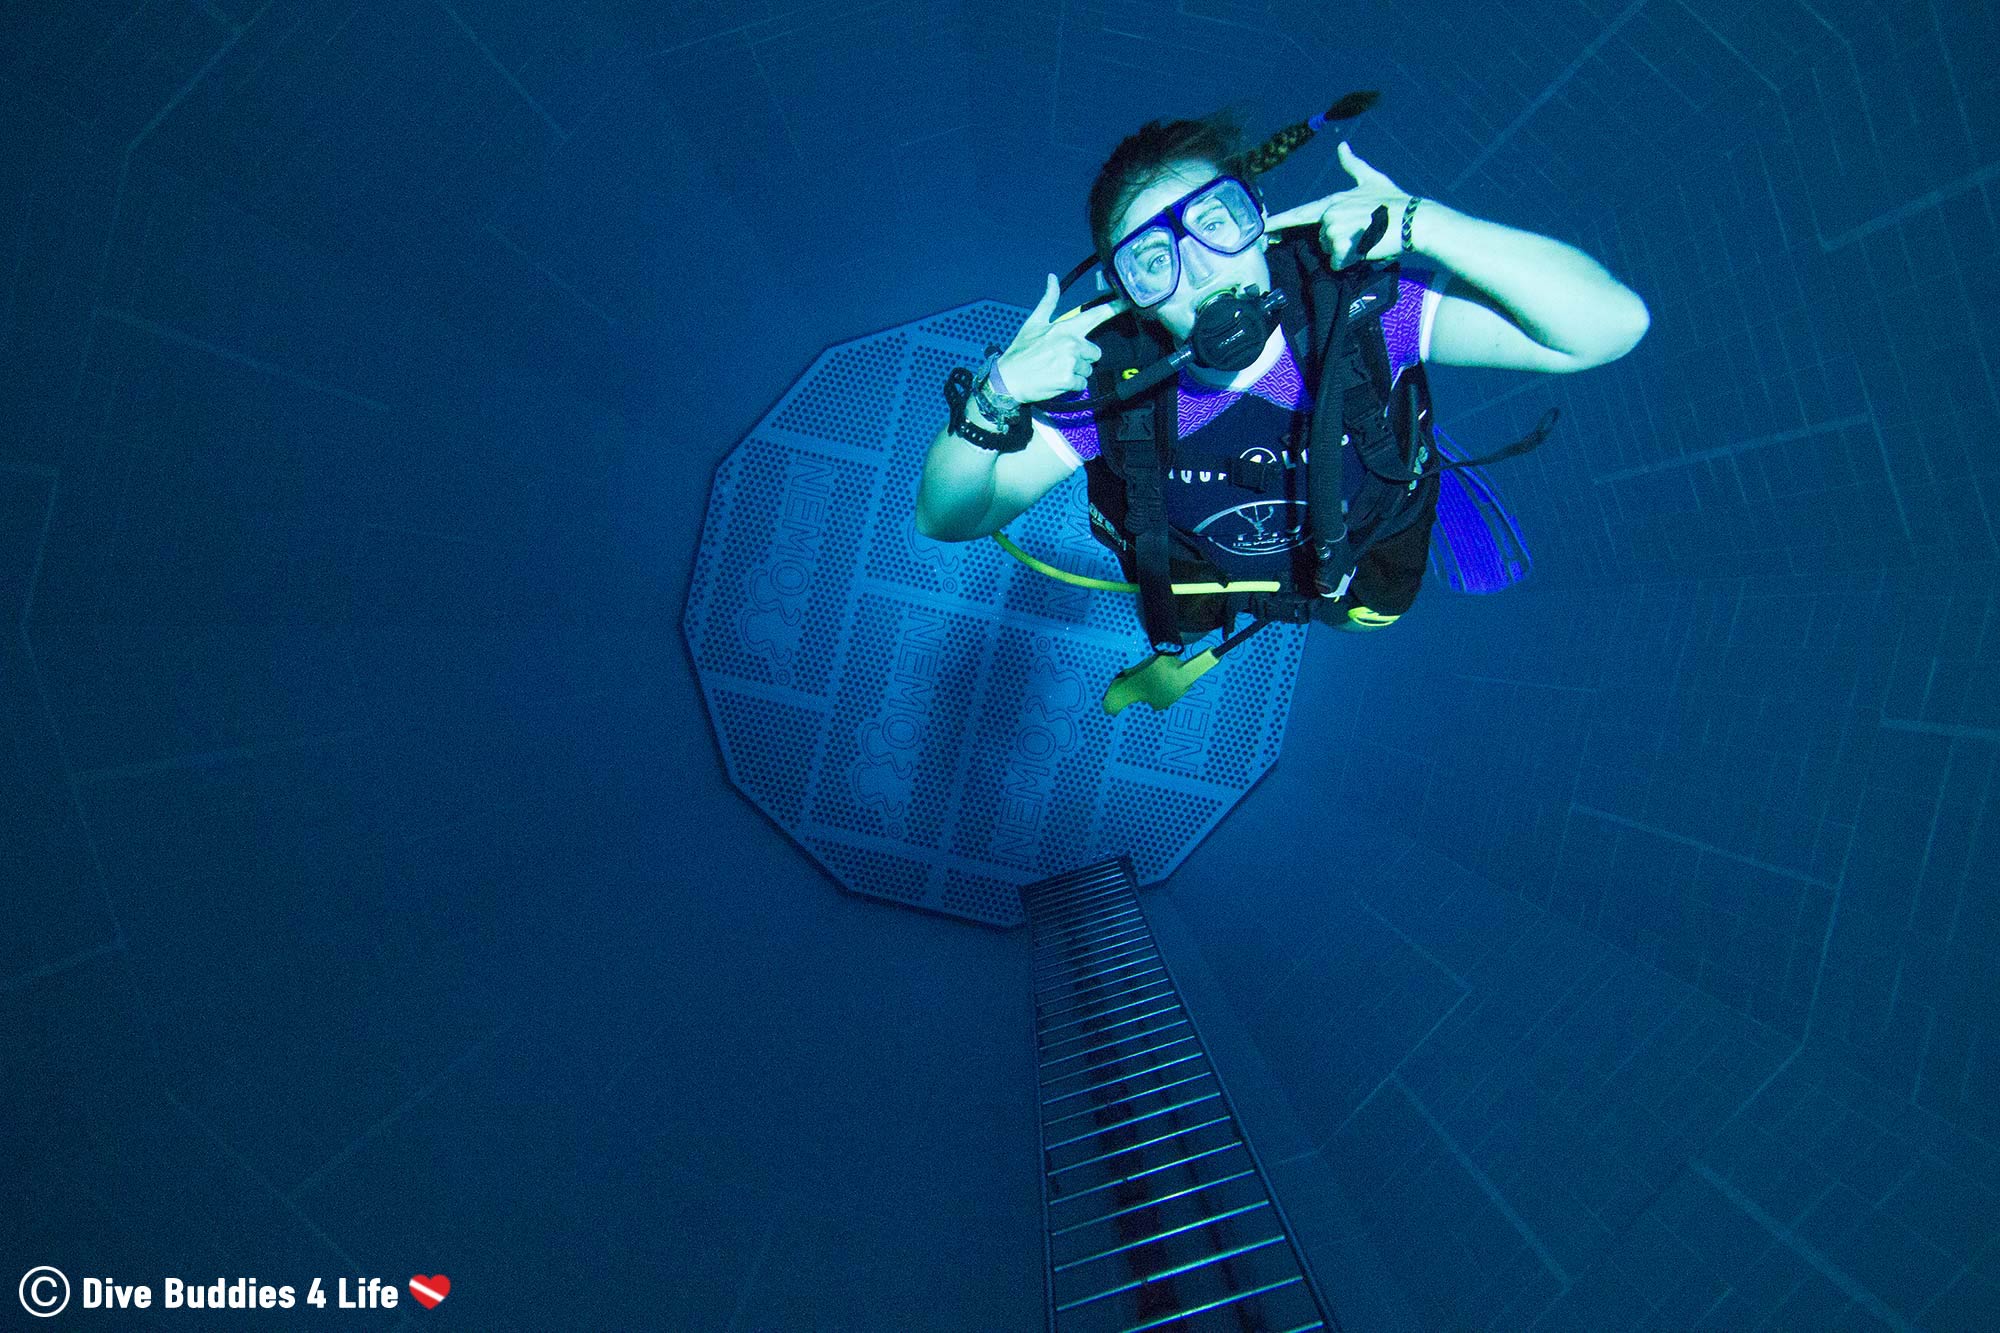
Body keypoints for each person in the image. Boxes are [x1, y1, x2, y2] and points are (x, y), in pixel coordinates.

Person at [915, 109, 1649, 648]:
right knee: (1182, 618)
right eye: (1150, 261)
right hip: (1209, 571)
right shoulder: (1108, 384)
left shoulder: (1362, 315)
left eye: (1217, 219)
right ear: (1124, 292)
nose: (1200, 267)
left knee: (1380, 606)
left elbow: (1611, 327)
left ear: (1260, 217)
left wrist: (1428, 225)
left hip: (1362, 550)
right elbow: (947, 518)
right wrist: (996, 396)